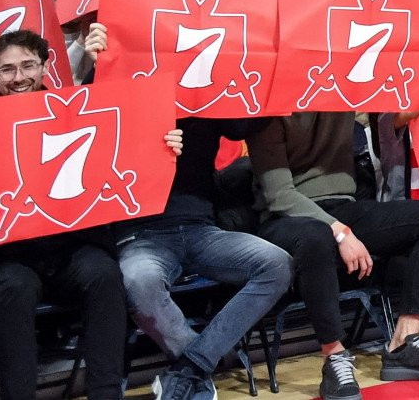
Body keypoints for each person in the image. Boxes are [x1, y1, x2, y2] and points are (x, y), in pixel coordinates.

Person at [0, 30, 152, 400]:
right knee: (16, 287)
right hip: (6, 258)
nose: (19, 77)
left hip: (68, 248)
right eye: (7, 69)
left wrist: (164, 143)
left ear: (44, 68)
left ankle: (107, 394)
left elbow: (129, 142)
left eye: (27, 65)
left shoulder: (75, 110)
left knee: (104, 273)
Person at [249, 112, 419, 393]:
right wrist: (339, 231)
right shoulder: (269, 110)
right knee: (316, 237)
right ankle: (334, 355)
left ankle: (404, 341)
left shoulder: (343, 91)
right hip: (284, 217)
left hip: (343, 205)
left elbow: (400, 88)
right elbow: (279, 197)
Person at [116, 118, 293, 400]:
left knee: (276, 263)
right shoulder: (113, 79)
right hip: (141, 234)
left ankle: (190, 366)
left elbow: (242, 125)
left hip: (202, 229)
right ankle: (200, 364)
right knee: (137, 279)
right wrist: (146, 142)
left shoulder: (204, 85)